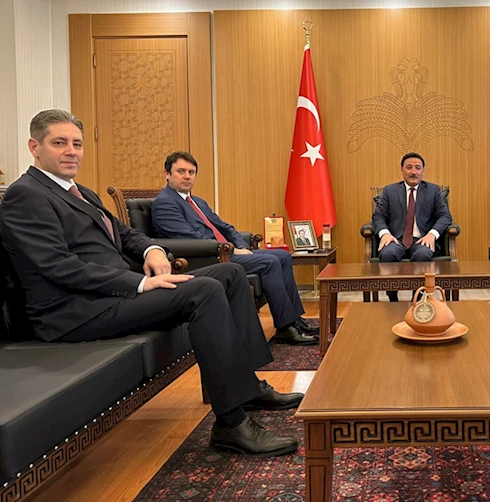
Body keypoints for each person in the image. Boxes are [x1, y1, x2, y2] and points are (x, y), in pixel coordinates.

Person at [0, 110, 303, 457]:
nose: (71, 151)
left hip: (112, 296)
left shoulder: (80, 191)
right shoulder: (26, 195)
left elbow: (126, 234)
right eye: (59, 143)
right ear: (34, 147)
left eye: (77, 144)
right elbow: (58, 267)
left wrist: (153, 250)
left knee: (230, 273)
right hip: (76, 310)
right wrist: (139, 284)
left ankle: (247, 387)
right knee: (204, 290)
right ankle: (231, 424)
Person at [151, 152, 319, 346]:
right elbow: (189, 238)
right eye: (181, 171)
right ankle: (285, 327)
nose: (187, 176)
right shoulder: (165, 203)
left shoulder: (197, 201)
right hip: (206, 259)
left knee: (283, 256)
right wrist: (231, 251)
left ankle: (295, 319)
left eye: (191, 172)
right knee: (270, 262)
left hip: (226, 252)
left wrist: (240, 245)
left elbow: (224, 227)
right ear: (167, 174)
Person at [372, 152, 452, 301]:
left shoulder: (433, 190)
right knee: (387, 253)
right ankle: (392, 298)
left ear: (423, 170)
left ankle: (417, 298)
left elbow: (445, 216)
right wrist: (385, 233)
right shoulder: (389, 191)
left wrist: (432, 235)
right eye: (409, 167)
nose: (413, 172)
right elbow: (378, 216)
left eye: (417, 168)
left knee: (423, 254)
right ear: (402, 170)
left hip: (422, 239)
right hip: (396, 239)